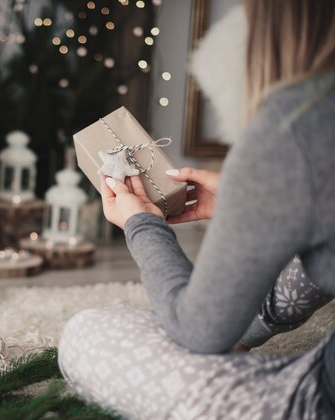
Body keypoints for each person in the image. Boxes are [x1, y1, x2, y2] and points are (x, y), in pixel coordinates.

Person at [58, 1, 335, 418]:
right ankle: (239, 326)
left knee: (86, 333)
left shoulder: (294, 126)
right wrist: (257, 208)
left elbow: (196, 332)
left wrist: (142, 224)